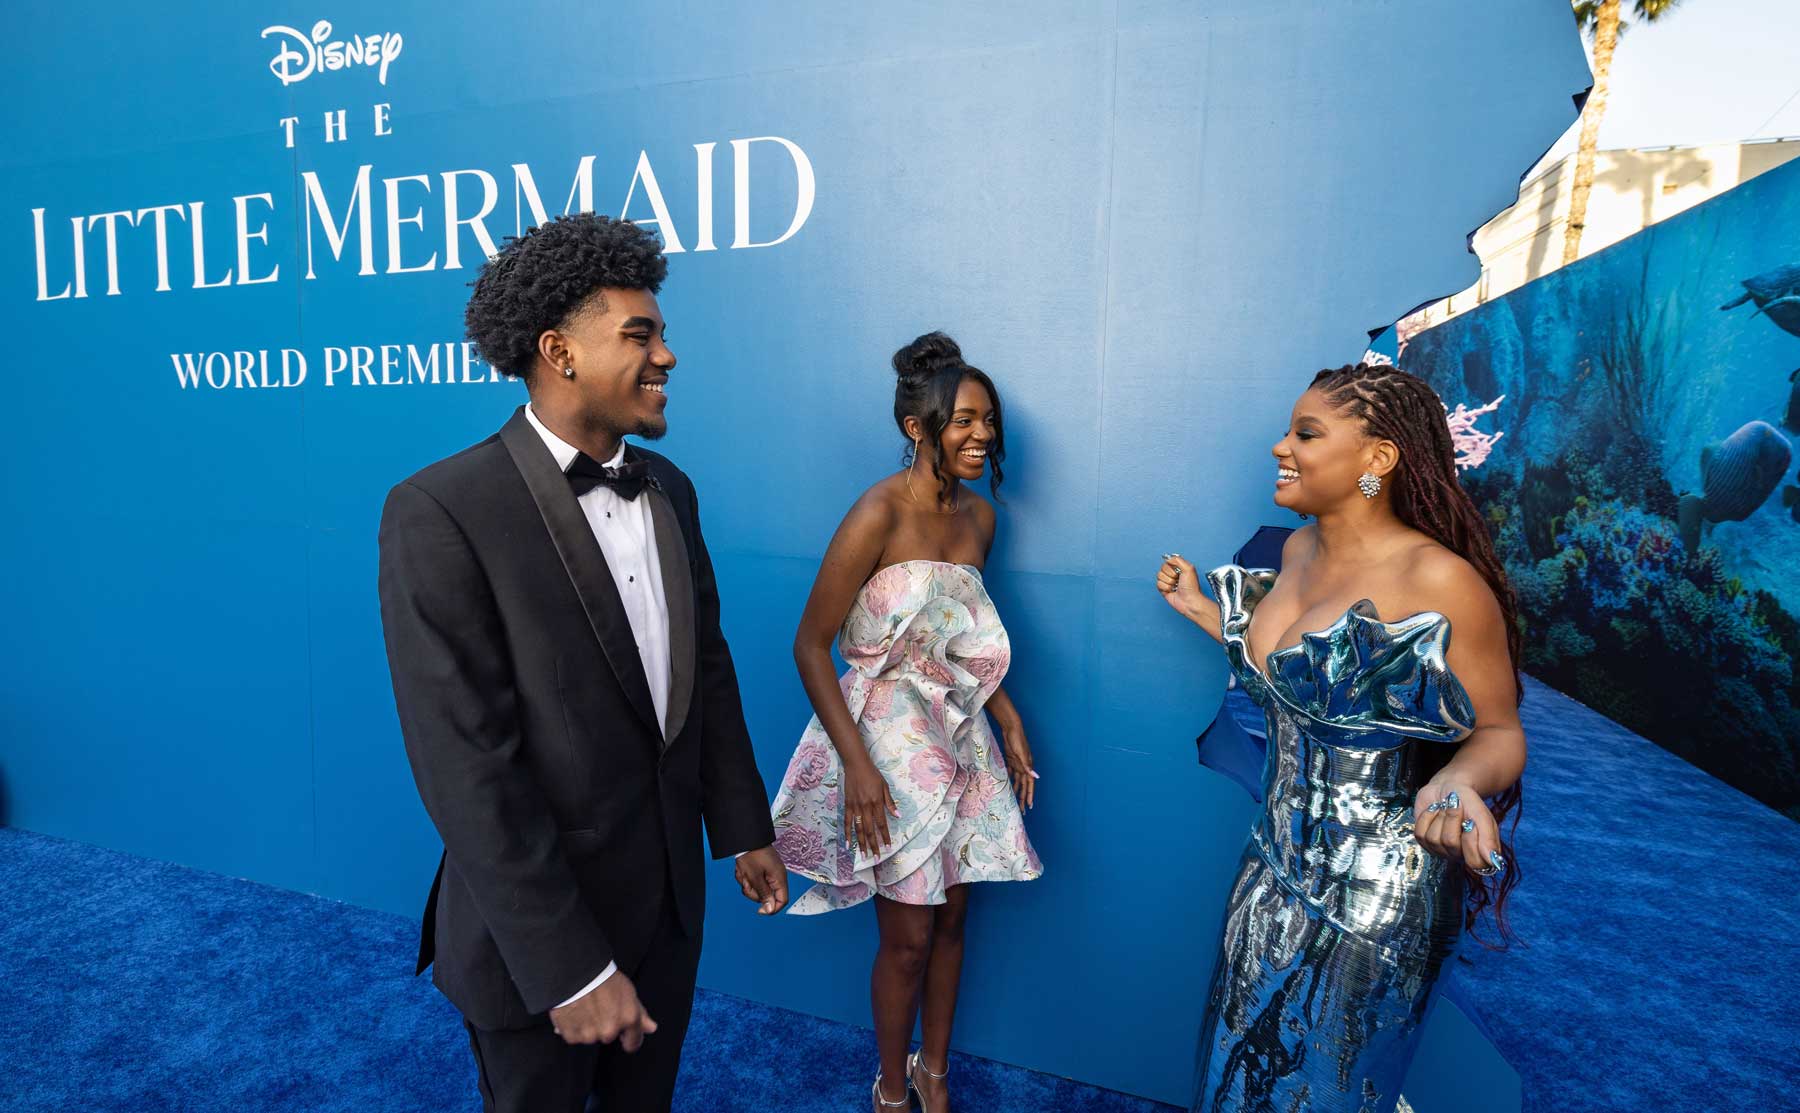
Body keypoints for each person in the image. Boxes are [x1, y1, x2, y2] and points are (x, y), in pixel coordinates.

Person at [377, 213, 789, 1113]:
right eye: (640, 334)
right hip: (539, 945)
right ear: (560, 351)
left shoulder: (671, 488)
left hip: (669, 912)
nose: (667, 356)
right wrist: (571, 968)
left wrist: (743, 823)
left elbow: (703, 670)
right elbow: (466, 768)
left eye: (663, 333)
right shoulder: (441, 509)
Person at [1156, 363, 1527, 1113]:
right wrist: (1208, 613)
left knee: (1326, 1095)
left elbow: (1498, 730)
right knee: (1230, 1077)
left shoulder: (1442, 581)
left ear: (1377, 459)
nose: (1278, 447)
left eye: (1306, 433)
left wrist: (1457, 784)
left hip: (1381, 892)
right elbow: (1293, 676)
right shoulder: (1296, 553)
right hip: (1269, 864)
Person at [769, 332, 1044, 1113]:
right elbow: (809, 644)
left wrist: (1010, 716)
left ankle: (936, 1071)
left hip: (959, 732)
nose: (981, 434)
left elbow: (959, 641)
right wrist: (857, 765)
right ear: (917, 426)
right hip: (887, 739)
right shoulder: (877, 511)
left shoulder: (980, 520)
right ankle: (891, 1087)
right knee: (909, 936)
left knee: (955, 915)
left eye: (988, 419)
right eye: (962, 419)